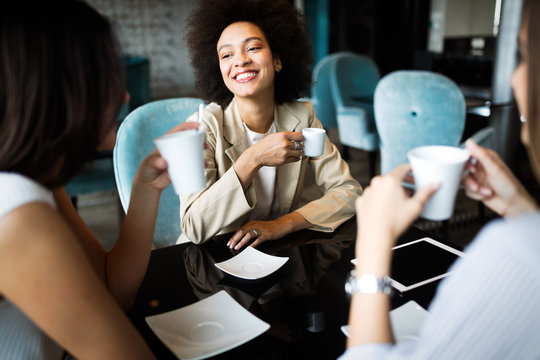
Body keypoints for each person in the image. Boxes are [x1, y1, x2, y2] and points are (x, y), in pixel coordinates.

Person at [340, 0, 540, 358]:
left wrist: (371, 246)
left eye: (524, 57)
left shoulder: (505, 258)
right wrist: (521, 208)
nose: (513, 77)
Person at [0, 2, 200, 359]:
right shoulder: (15, 209)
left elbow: (112, 292)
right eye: (105, 76)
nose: (123, 95)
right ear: (60, 89)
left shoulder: (39, 181)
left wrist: (145, 189)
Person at [181, 0, 362, 249]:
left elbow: (349, 191)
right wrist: (253, 158)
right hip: (211, 259)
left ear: (277, 60)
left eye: (253, 48)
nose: (240, 60)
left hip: (279, 254)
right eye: (227, 55)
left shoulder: (303, 117)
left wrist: (284, 224)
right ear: (219, 70)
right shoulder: (201, 128)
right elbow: (193, 225)